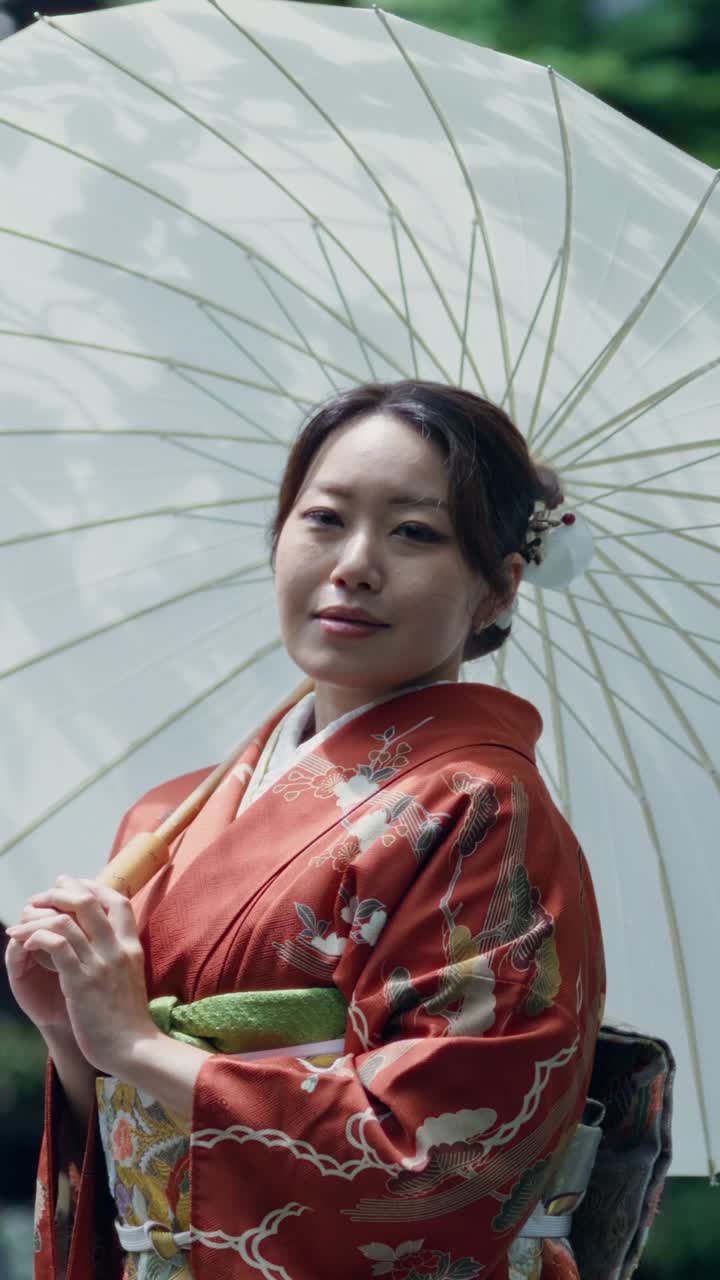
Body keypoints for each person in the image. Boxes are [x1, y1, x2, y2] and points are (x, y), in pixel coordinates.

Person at [6, 381, 605, 1280]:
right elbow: (134, 1161)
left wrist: (136, 1046)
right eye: (324, 518)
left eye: (415, 533)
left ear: (497, 589)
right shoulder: (169, 816)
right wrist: (74, 1037)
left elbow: (435, 1162)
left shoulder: (483, 813)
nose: (355, 564)